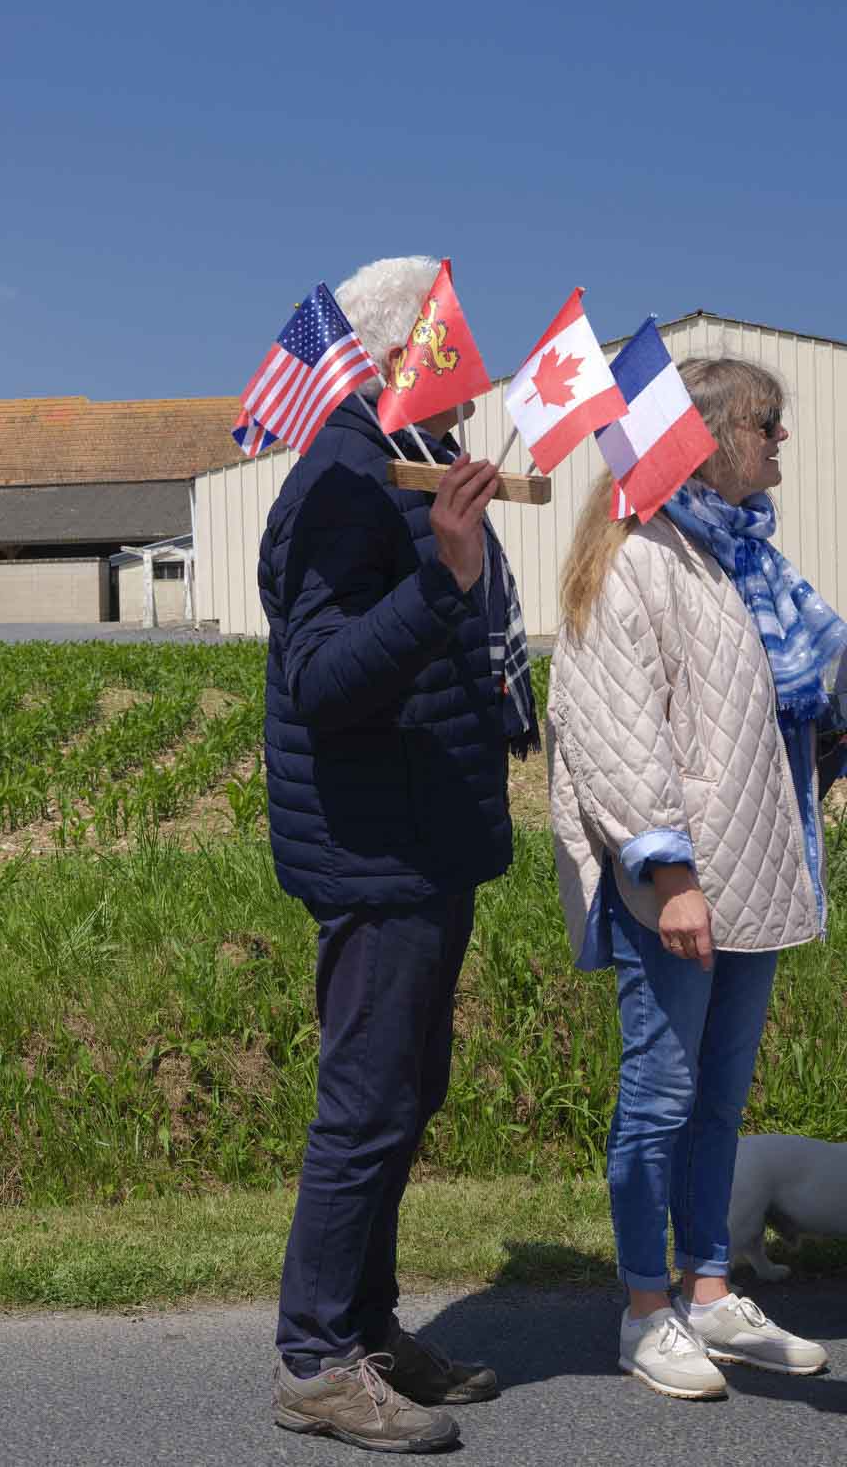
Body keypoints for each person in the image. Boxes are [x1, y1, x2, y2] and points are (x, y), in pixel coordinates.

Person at [260, 256, 536, 1453]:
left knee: (404, 1094)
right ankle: (316, 1357)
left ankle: (363, 1328)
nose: (465, 375)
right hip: (373, 850)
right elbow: (321, 678)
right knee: (366, 1103)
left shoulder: (406, 469)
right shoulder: (339, 480)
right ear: (384, 362)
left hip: (423, 839)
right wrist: (443, 572)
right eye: (446, 348)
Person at [548, 357, 840, 1399]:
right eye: (766, 423)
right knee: (658, 1099)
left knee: (717, 1102)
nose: (779, 441)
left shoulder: (744, 562)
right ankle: (641, 1311)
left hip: (751, 868)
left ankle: (708, 1291)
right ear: (704, 437)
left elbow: (798, 694)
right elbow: (613, 731)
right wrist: (666, 874)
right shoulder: (632, 559)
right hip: (675, 882)